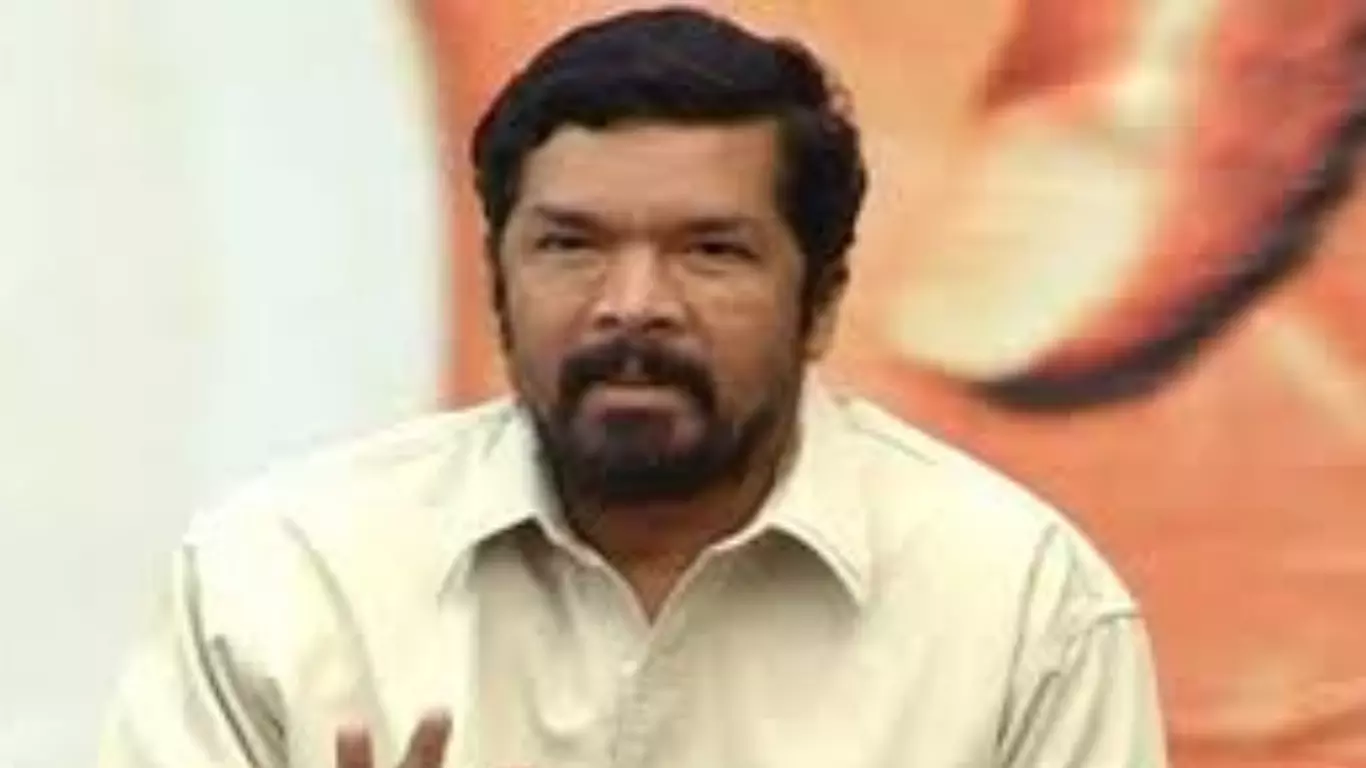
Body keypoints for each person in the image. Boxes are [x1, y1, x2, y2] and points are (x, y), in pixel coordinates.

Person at [99, 7, 1167, 767]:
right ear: (499, 283)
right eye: (571, 245)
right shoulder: (287, 582)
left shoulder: (1021, 609)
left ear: (821, 300)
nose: (633, 306)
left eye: (710, 251)